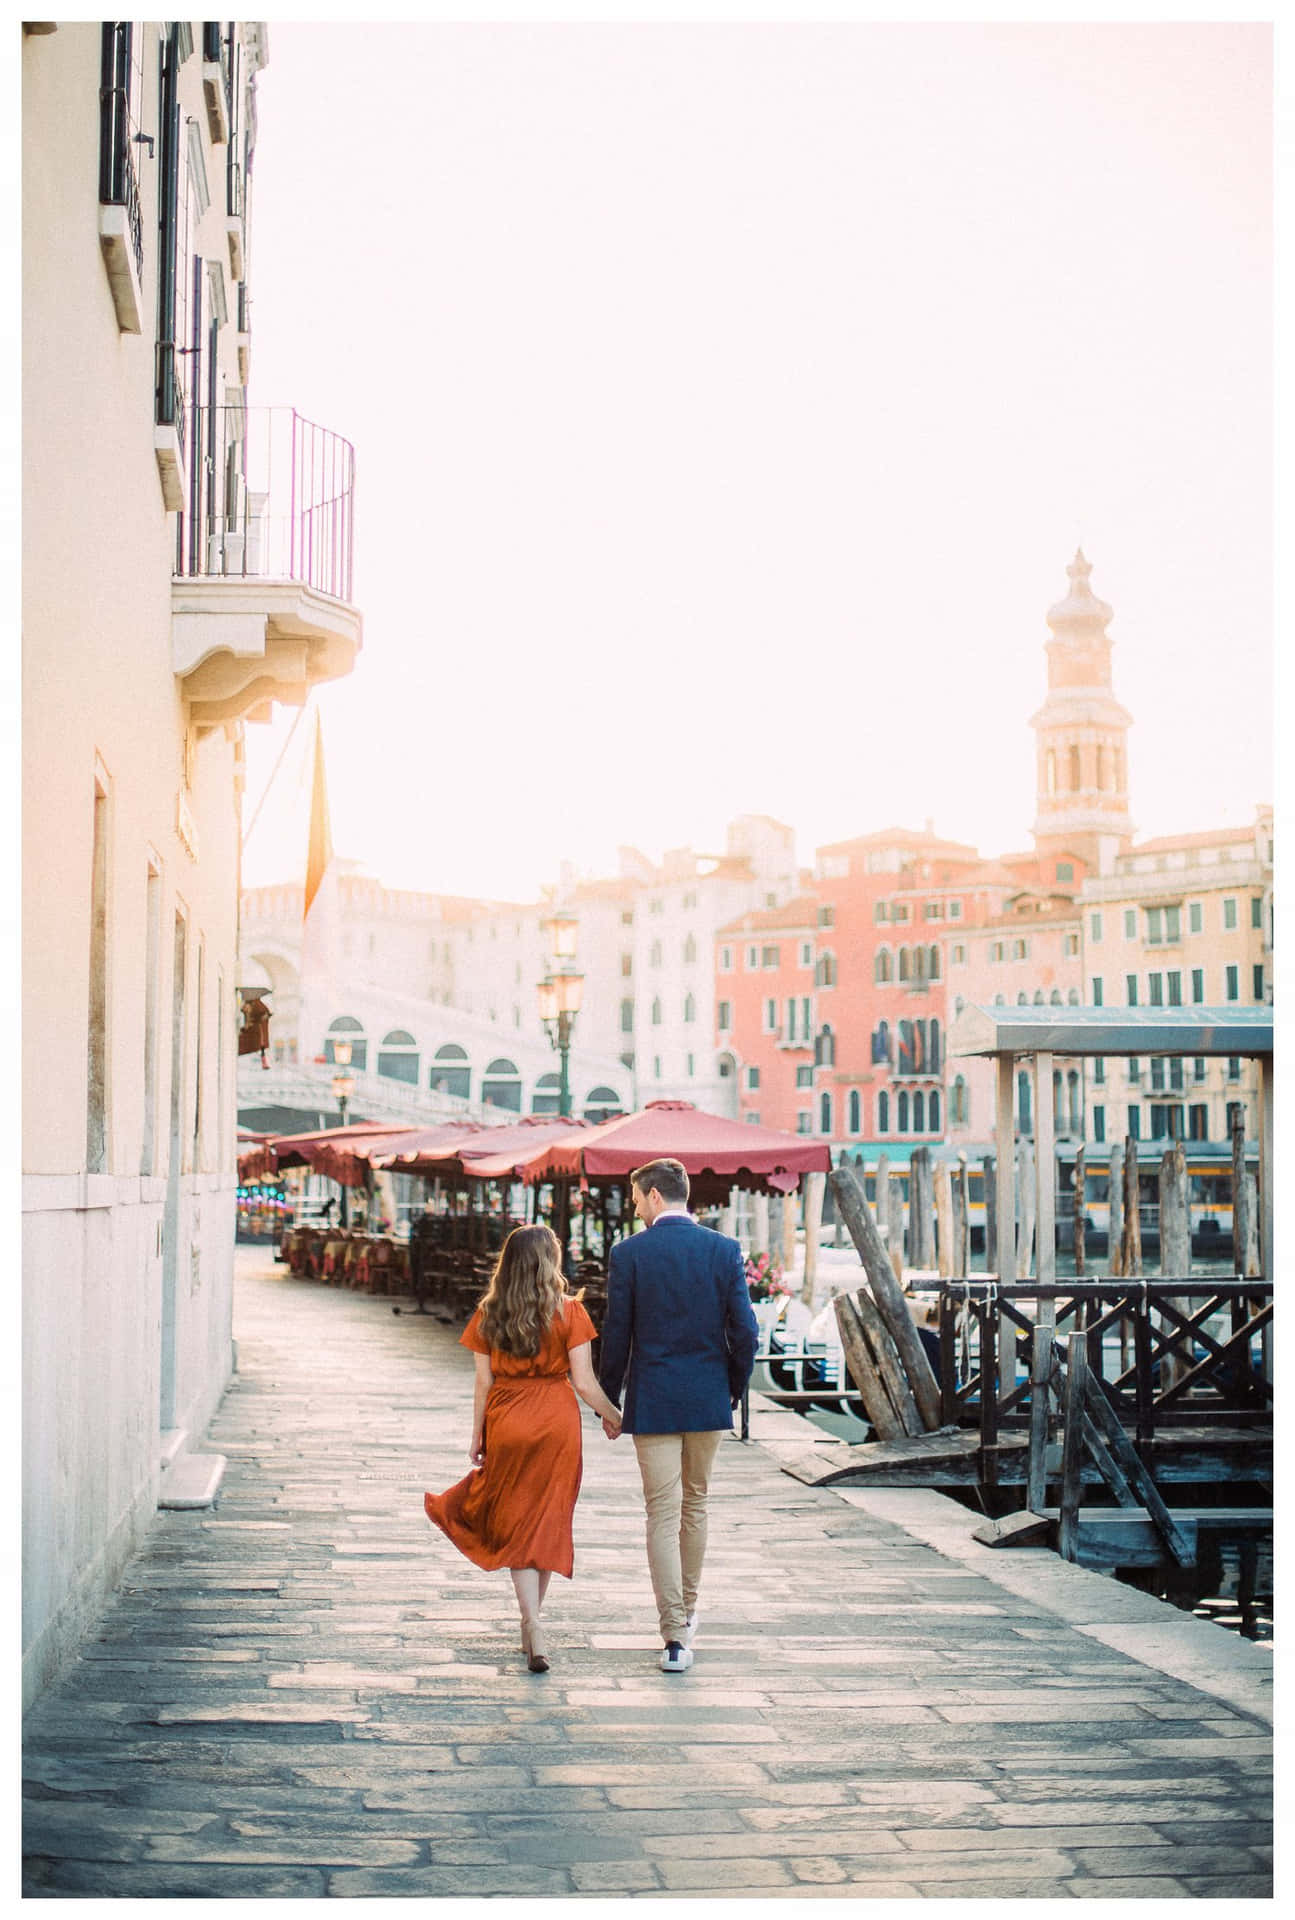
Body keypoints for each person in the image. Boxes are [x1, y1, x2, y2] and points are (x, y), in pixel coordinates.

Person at [423, 1224, 622, 1672]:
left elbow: (483, 1381)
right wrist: (614, 1416)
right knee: (546, 1522)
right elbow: (585, 1383)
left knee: (517, 1523)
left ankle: (531, 1621)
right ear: (549, 1261)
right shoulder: (571, 1312)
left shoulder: (489, 1312)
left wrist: (477, 1435)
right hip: (555, 1421)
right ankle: (533, 1622)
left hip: (508, 1418)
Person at [597, 1158, 759, 1674]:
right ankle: (686, 1615)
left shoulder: (629, 1254)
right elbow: (747, 1333)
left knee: (662, 1514)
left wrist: (609, 1401)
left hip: (654, 1400)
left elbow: (616, 1334)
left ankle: (673, 1634)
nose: (634, 1207)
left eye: (636, 1197)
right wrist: (730, 1389)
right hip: (708, 1397)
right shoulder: (725, 1250)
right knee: (696, 1506)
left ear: (654, 1195)